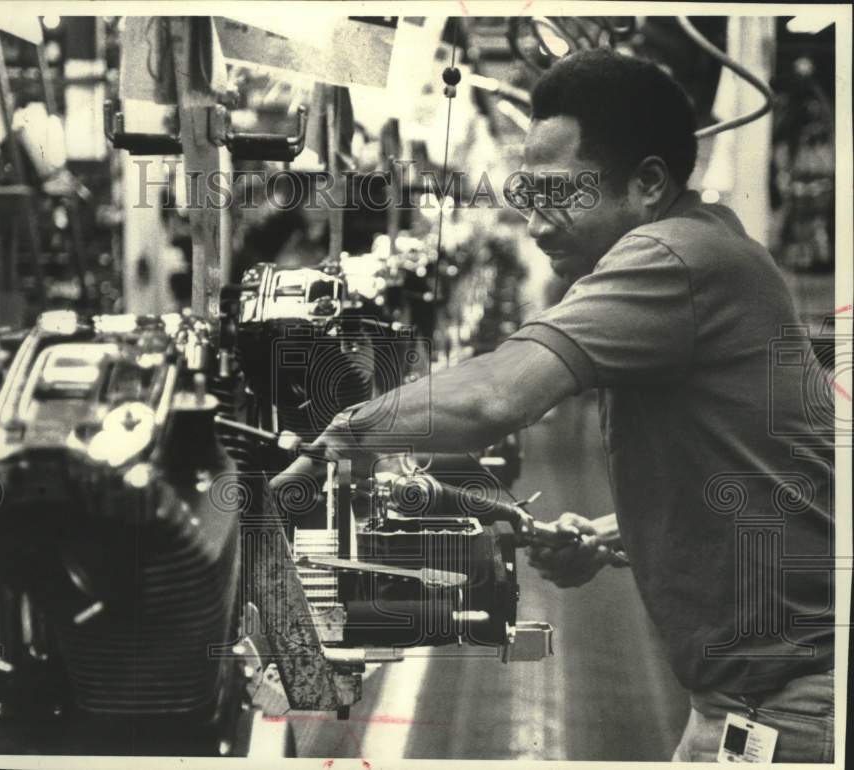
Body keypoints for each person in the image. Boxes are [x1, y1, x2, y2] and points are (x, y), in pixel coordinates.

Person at [274, 48, 835, 762]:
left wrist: (343, 432)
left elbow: (497, 396)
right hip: (751, 695)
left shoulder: (672, 257)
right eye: (526, 195)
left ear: (648, 184)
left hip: (791, 706)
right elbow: (756, 474)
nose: (537, 224)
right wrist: (613, 533)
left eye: (557, 193)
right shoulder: (711, 246)